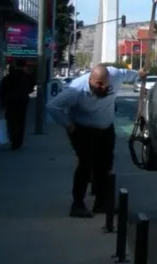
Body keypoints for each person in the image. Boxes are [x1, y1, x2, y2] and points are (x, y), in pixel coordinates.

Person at [46, 64, 142, 218]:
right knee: (86, 163)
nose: (104, 87)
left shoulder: (114, 75)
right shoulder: (75, 90)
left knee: (104, 164)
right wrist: (68, 125)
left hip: (105, 127)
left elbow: (128, 74)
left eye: (106, 84)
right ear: (90, 80)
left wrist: (139, 74)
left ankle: (101, 203)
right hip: (83, 128)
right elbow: (52, 107)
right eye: (99, 84)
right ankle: (77, 204)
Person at [0, 61, 34, 150]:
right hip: (22, 103)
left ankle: (13, 140)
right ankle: (18, 141)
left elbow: (2, 92)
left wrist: (3, 104)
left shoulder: (7, 79)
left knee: (11, 122)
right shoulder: (25, 78)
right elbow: (30, 89)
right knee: (21, 122)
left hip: (10, 103)